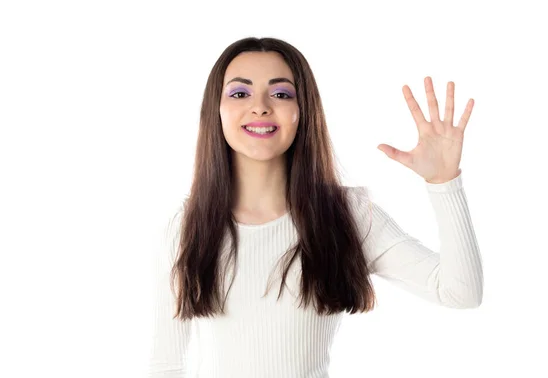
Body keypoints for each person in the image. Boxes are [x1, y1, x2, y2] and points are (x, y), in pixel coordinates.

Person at [146, 36, 484, 378]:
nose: (260, 106)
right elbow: (166, 364)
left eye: (280, 94)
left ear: (302, 111)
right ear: (215, 111)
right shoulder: (186, 227)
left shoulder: (345, 214)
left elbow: (460, 291)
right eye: (239, 93)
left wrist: (444, 183)